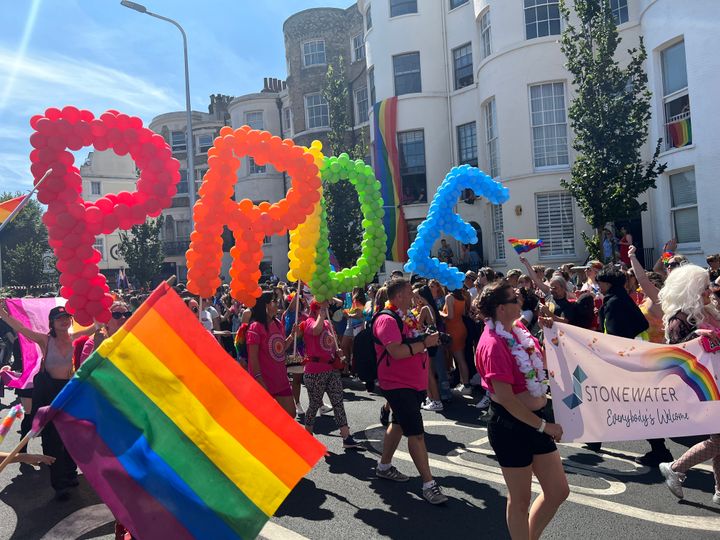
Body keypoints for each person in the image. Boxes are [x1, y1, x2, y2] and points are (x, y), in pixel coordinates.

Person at [475, 282, 568, 539]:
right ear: (501, 309)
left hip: (535, 420)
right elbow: (506, 398)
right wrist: (543, 426)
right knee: (520, 499)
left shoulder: (519, 330)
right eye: (515, 299)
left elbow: (540, 364)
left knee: (558, 490)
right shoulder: (493, 344)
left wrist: (552, 335)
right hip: (510, 426)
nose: (520, 302)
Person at [0, 303, 95, 500]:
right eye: (60, 318)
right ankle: (59, 484)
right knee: (52, 438)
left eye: (67, 317)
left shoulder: (75, 338)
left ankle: (70, 473)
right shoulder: (45, 340)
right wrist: (3, 315)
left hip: (70, 391)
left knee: (72, 435)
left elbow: (98, 325)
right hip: (50, 392)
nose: (64, 320)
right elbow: (21, 329)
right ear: (52, 322)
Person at [373, 278, 446, 504]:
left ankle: (383, 466)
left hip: (412, 383)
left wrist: (428, 338)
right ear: (398, 297)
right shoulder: (387, 319)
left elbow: (412, 340)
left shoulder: (407, 316)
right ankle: (428, 484)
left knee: (398, 424)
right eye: (409, 292)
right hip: (397, 384)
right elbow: (396, 351)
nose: (413, 295)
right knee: (416, 434)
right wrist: (425, 344)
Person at [658, 264, 720, 504]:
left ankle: (718, 491)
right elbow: (675, 356)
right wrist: (697, 337)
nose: (709, 291)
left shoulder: (709, 312)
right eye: (705, 287)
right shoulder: (678, 320)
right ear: (692, 290)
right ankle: (676, 467)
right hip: (702, 388)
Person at [299, 300, 361, 449]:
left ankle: (346, 437)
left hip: (331, 369)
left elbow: (331, 343)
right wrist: (321, 312)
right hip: (315, 371)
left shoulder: (328, 324)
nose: (326, 310)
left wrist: (338, 352)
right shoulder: (308, 322)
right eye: (321, 308)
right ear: (316, 309)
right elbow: (315, 330)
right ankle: (307, 436)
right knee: (314, 405)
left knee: (338, 402)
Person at [246, 291, 296, 417]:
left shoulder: (278, 323)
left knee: (291, 413)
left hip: (280, 379)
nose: (278, 304)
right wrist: (259, 380)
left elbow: (280, 349)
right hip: (264, 381)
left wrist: (292, 336)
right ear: (266, 305)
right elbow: (253, 359)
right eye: (275, 301)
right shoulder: (255, 328)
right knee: (265, 419)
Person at [442, 289, 471, 395]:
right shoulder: (462, 297)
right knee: (460, 358)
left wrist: (439, 312)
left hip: (453, 330)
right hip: (461, 327)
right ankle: (464, 383)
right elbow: (462, 313)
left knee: (460, 359)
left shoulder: (449, 297)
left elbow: (450, 316)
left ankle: (466, 385)